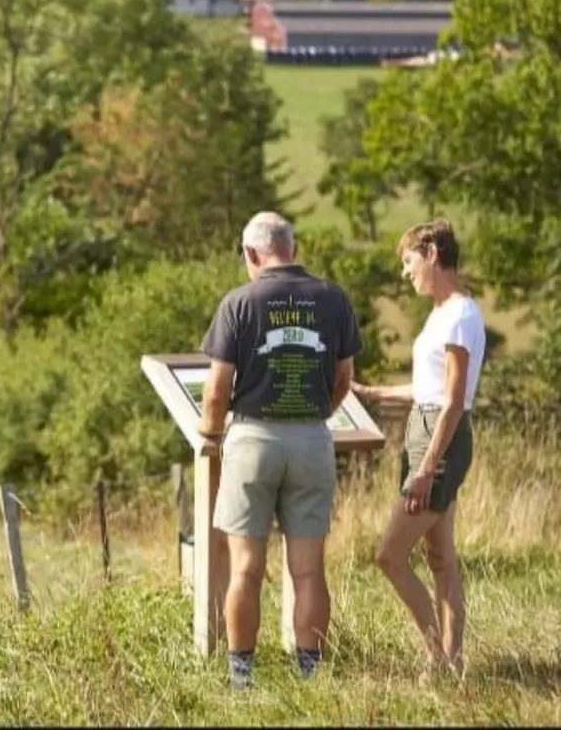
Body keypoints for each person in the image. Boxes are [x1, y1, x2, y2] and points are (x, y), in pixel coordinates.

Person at [197, 211, 361, 690]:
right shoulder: (333, 298)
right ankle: (309, 674)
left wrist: (211, 434)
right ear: (293, 246)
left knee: (246, 568)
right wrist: (315, 416)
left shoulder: (239, 303)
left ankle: (241, 677)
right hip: (312, 438)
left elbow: (216, 390)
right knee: (309, 569)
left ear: (251, 253)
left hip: (252, 440)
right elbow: (344, 378)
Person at [352, 219, 484, 681]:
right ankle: (453, 660)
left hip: (439, 439)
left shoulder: (460, 315)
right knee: (440, 556)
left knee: (389, 556)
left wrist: (427, 468)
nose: (405, 274)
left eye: (409, 262)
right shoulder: (441, 312)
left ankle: (437, 658)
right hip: (426, 429)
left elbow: (451, 401)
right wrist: (373, 393)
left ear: (431, 253)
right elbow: (428, 389)